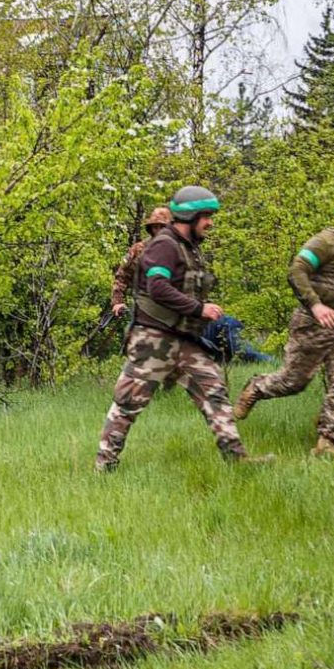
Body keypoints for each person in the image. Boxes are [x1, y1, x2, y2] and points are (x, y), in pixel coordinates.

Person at [95, 187, 261, 469]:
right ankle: (104, 466)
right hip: (153, 341)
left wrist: (201, 306)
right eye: (206, 216)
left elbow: (179, 288)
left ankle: (237, 460)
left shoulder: (188, 247)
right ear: (190, 215)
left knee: (214, 391)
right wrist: (200, 309)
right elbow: (157, 287)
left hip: (183, 341)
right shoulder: (165, 245)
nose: (210, 222)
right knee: (128, 405)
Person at [234, 194, 334, 456]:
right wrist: (316, 305)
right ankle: (256, 387)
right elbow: (297, 270)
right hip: (314, 327)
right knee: (293, 382)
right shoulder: (327, 241)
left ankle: (328, 441)